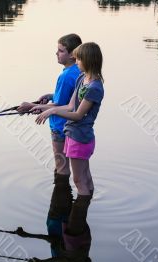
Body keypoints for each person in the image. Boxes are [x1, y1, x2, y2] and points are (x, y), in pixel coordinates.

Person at [31, 42, 104, 210]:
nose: (76, 63)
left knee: (79, 181)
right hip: (72, 134)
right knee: (85, 177)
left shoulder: (95, 88)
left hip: (81, 136)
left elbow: (78, 115)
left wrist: (52, 112)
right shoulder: (82, 78)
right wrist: (43, 107)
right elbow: (70, 106)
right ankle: (87, 212)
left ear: (88, 60)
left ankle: (78, 219)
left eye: (79, 60)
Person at [17, 33, 82, 181]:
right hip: (72, 126)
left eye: (61, 51)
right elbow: (69, 98)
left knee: (61, 167)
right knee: (65, 165)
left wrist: (29, 106)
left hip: (59, 126)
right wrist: (50, 95)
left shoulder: (65, 76)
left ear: (72, 55)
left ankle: (60, 197)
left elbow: (60, 105)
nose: (56, 53)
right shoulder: (78, 71)